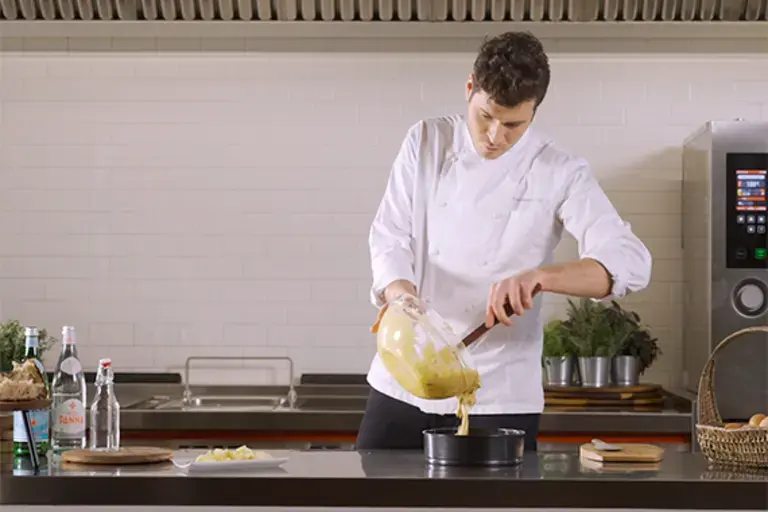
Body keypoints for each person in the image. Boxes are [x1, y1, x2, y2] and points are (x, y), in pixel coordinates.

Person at [355, 31, 653, 452]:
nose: (495, 135)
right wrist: (401, 296)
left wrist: (542, 277)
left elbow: (631, 262)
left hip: (499, 395)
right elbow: (390, 234)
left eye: (514, 124)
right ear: (470, 87)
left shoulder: (560, 170)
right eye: (485, 116)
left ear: (535, 111)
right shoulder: (426, 141)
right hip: (403, 381)